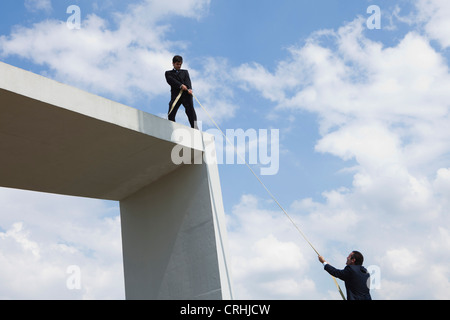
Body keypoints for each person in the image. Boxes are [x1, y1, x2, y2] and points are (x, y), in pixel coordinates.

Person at [165, 55, 198, 129]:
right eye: (177, 64)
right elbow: (171, 81)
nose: (179, 66)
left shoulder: (185, 72)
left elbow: (188, 81)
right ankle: (171, 126)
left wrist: (189, 89)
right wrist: (180, 85)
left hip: (186, 95)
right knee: (171, 110)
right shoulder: (168, 73)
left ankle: (195, 127)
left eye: (180, 64)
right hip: (176, 96)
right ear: (173, 63)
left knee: (190, 110)